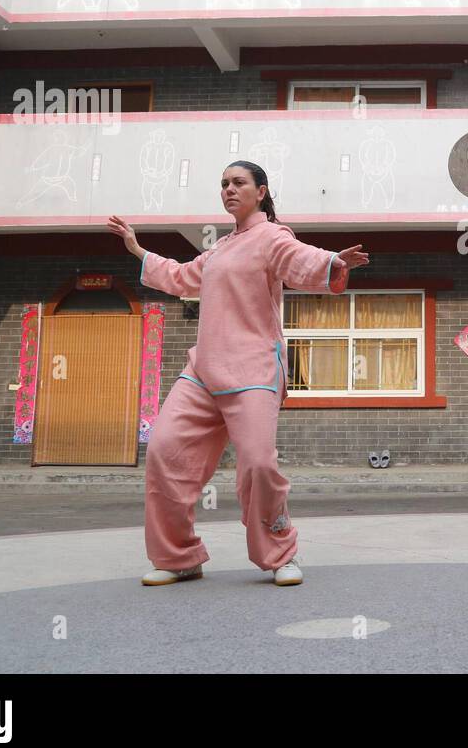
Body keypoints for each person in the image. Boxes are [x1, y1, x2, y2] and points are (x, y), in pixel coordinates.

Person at [107, 160, 369, 587]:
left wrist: (333, 261)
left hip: (253, 369)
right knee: (164, 451)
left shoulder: (272, 237)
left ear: (260, 192)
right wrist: (137, 249)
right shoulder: (220, 249)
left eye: (239, 182)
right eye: (224, 183)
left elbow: (299, 259)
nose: (229, 189)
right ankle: (179, 557)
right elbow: (180, 276)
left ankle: (280, 553)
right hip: (203, 371)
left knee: (259, 465)